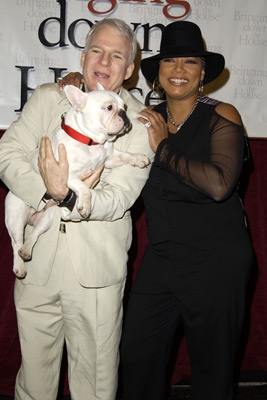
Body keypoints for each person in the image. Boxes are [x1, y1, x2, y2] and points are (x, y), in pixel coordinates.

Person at [0, 18, 153, 400]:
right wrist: (46, 190)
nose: (104, 61)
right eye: (97, 51)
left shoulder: (139, 122)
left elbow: (118, 198)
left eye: (117, 55)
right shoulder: (51, 97)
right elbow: (7, 155)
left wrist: (69, 196)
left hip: (96, 275)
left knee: (96, 388)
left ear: (130, 69)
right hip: (37, 264)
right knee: (34, 385)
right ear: (83, 57)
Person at [119, 21, 254, 400]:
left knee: (212, 371)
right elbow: (100, 108)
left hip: (217, 263)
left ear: (203, 72)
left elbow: (218, 184)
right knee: (136, 356)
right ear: (158, 73)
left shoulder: (222, 114)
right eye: (171, 61)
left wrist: (163, 148)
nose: (179, 70)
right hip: (161, 260)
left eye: (190, 62)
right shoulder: (145, 116)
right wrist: (75, 83)